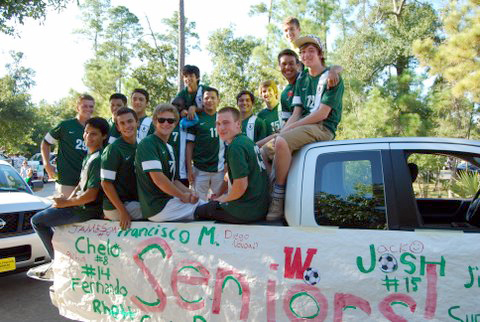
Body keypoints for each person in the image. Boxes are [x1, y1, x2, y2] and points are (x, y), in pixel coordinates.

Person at [267, 35, 344, 220]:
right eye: (302, 52)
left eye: (311, 50)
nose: (306, 54)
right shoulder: (302, 79)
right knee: (263, 150)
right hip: (304, 126)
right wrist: (280, 132)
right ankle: (266, 196)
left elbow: (322, 114)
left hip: (323, 128)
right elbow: (296, 112)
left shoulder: (331, 78)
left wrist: (286, 133)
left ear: (320, 54)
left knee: (282, 141)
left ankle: (279, 196)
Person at [30, 117, 109, 279]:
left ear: (104, 137)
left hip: (87, 210)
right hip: (77, 205)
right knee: (49, 214)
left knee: (37, 221)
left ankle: (57, 263)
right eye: (86, 132)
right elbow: (81, 185)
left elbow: (91, 195)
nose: (88, 137)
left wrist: (66, 203)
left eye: (93, 134)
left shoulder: (99, 158)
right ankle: (61, 260)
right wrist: (62, 204)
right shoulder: (89, 156)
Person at [194, 107, 269, 223]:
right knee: (212, 203)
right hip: (260, 206)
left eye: (226, 123)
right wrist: (219, 194)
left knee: (198, 211)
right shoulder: (246, 141)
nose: (221, 128)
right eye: (218, 124)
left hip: (247, 210)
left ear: (238, 124)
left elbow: (241, 186)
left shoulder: (236, 147)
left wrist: (224, 199)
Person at [135, 104, 203, 221]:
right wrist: (182, 196)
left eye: (170, 121)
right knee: (209, 210)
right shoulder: (148, 143)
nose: (166, 123)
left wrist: (190, 193)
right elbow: (159, 179)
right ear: (154, 121)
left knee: (205, 203)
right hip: (157, 208)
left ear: (175, 123)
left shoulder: (169, 148)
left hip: (170, 201)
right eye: (161, 120)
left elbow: (174, 181)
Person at [41, 94, 95, 197]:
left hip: (88, 181)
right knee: (66, 211)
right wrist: (47, 164)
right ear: (77, 107)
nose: (88, 109)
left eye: (91, 106)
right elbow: (45, 142)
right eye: (85, 106)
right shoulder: (65, 126)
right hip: (67, 182)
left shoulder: (96, 127)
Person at [101, 107, 142, 230]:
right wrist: (123, 212)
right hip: (117, 206)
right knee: (155, 212)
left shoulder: (141, 144)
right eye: (122, 123)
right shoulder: (113, 149)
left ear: (137, 122)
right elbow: (106, 183)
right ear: (118, 127)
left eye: (130, 121)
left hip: (134, 201)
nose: (127, 126)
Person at [186, 88, 226, 201]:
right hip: (199, 169)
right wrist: (189, 169)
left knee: (222, 202)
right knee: (198, 203)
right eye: (206, 98)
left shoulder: (223, 118)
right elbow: (189, 145)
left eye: (213, 97)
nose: (209, 100)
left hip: (219, 169)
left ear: (218, 100)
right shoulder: (196, 119)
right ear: (202, 101)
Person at [170, 97, 189, 186]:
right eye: (173, 105)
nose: (175, 108)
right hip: (167, 173)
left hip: (182, 174)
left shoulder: (188, 125)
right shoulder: (165, 125)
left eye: (178, 106)